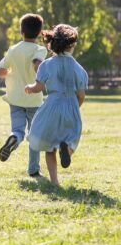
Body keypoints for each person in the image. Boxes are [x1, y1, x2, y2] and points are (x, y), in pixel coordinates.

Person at [25, 24, 88, 186]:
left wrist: (30, 88)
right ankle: (66, 150)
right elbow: (81, 95)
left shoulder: (46, 64)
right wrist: (75, 106)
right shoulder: (79, 69)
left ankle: (55, 182)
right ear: (72, 45)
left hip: (51, 106)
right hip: (71, 106)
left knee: (49, 146)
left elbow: (38, 87)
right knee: (72, 139)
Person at [0, 14, 47, 177]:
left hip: (15, 98)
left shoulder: (13, 49)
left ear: (21, 32)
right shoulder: (40, 49)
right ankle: (33, 169)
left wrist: (12, 71)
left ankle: (13, 138)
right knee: (34, 135)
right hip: (33, 98)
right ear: (39, 33)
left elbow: (0, 73)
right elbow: (37, 64)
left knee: (18, 130)